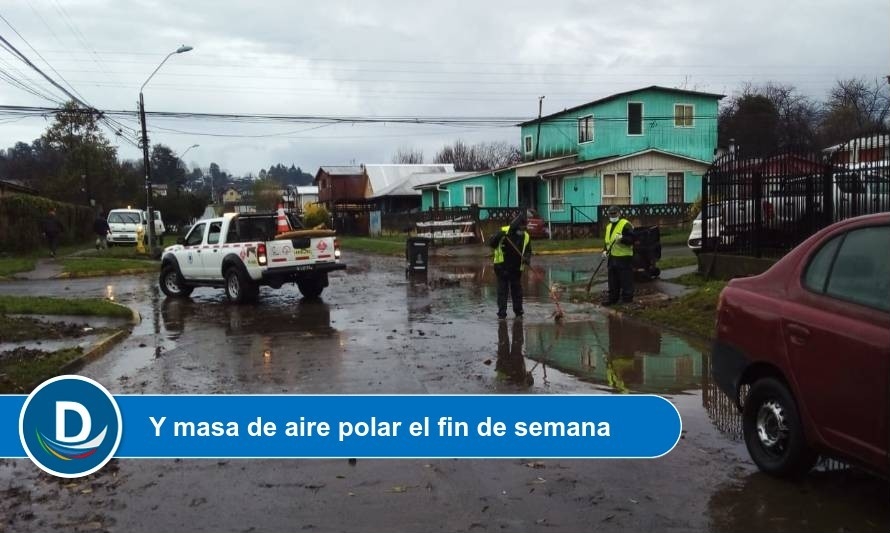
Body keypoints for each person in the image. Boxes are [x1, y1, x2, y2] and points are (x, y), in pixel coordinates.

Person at [489, 214, 532, 319]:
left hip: (516, 269)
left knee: (517, 291)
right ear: (516, 226)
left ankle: (518, 312)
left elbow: (528, 250)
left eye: (524, 228)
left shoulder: (526, 236)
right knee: (502, 291)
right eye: (521, 228)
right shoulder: (504, 231)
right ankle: (502, 313)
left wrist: (527, 258)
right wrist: (499, 236)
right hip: (502, 267)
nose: (523, 230)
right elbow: (492, 244)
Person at [602, 205, 635, 305]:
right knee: (613, 281)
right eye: (610, 214)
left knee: (625, 279)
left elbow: (632, 239)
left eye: (614, 214)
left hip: (624, 258)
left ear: (619, 213)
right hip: (612, 258)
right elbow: (607, 241)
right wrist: (604, 250)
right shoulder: (608, 227)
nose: (612, 216)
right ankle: (613, 299)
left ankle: (627, 299)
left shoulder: (625, 224)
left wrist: (622, 239)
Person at [495, 318, 533, 387]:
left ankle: (505, 321)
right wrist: (529, 378)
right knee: (514, 344)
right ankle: (515, 321)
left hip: (506, 370)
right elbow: (529, 385)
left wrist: (528, 378)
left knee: (507, 344)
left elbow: (528, 385)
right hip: (516, 369)